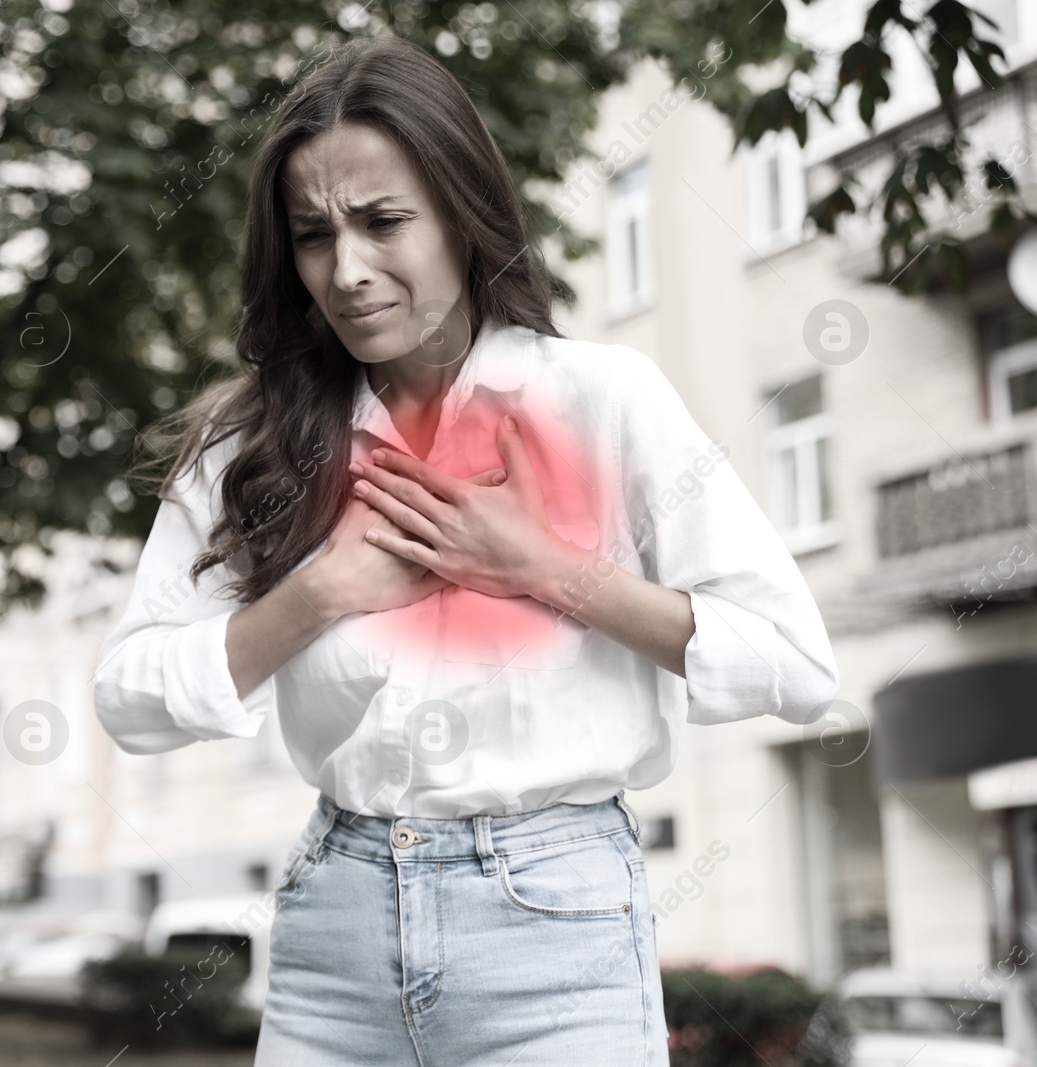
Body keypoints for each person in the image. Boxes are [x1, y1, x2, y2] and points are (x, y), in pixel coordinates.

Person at [91, 35, 838, 1066]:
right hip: (333, 931)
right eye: (312, 236)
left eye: (383, 221)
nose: (346, 269)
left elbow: (795, 663)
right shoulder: (256, 445)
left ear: (460, 208)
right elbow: (128, 694)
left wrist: (545, 568)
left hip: (555, 930)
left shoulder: (601, 401)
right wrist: (319, 592)